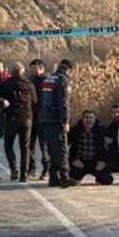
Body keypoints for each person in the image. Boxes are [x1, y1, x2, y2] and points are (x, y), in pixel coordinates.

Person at [36, 59, 73, 188]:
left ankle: (53, 177)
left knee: (51, 148)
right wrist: (65, 121)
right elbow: (64, 102)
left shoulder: (48, 79)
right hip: (55, 119)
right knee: (62, 148)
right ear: (68, 69)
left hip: (45, 118)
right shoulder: (63, 80)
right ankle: (64, 176)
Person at [0, 62, 38, 182]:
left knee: (8, 144)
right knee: (25, 147)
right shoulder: (29, 85)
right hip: (26, 117)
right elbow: (35, 101)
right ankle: (24, 174)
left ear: (11, 71)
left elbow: (0, 100)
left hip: (11, 117)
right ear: (23, 72)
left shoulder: (6, 84)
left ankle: (13, 169)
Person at [65, 109, 115, 186]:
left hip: (96, 162)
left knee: (107, 180)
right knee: (73, 181)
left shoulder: (102, 130)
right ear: (82, 119)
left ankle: (98, 177)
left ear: (95, 120)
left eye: (91, 118)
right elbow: (64, 147)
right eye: (86, 117)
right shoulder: (75, 130)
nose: (88, 120)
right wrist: (73, 160)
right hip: (80, 162)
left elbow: (112, 147)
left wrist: (104, 161)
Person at [25, 60, 49, 176]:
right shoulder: (28, 82)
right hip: (30, 116)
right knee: (30, 144)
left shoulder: (47, 81)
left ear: (42, 68)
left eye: (35, 68)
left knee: (44, 145)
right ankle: (31, 167)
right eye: (31, 68)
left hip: (44, 117)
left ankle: (46, 167)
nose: (33, 70)